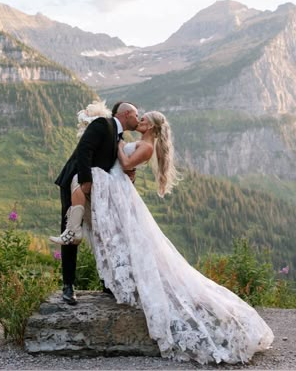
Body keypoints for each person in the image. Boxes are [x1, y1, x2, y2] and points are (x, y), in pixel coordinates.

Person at [87, 110, 274, 365]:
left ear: (151, 127)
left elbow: (127, 164)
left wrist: (118, 145)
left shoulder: (146, 146)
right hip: (119, 189)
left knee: (138, 243)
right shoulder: (142, 142)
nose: (139, 121)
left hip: (120, 189)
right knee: (129, 241)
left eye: (143, 120)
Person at [51, 101, 139, 304]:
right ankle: (68, 285)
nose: (138, 118)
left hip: (99, 189)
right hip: (77, 183)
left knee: (102, 232)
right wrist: (85, 181)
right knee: (71, 230)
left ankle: (107, 283)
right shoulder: (102, 124)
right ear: (125, 114)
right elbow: (84, 150)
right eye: (136, 115)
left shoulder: (118, 137)